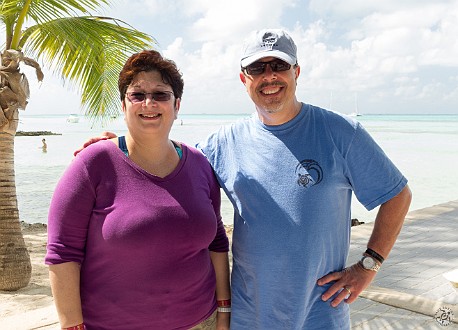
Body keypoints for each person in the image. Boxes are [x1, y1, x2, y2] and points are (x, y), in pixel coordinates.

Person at [75, 29, 412, 329]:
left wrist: (369, 265)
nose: (269, 76)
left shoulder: (341, 132)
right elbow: (166, 164)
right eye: (257, 68)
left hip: (321, 312)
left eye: (279, 66)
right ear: (243, 78)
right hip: (249, 314)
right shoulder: (223, 143)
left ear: (297, 72)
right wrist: (121, 148)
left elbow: (398, 195)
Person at [46, 50, 231, 330]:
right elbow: (62, 253)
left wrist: (224, 312)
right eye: (137, 94)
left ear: (177, 105)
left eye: (161, 94)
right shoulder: (92, 163)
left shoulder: (200, 164)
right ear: (123, 105)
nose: (149, 103)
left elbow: (217, 241)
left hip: (202, 321)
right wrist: (72, 326)